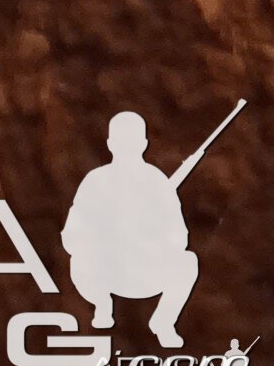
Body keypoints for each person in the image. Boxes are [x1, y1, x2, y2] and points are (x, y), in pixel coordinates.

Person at [67, 109, 207, 350]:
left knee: (187, 261)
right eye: (122, 141)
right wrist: (103, 240)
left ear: (143, 143)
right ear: (110, 144)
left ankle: (163, 322)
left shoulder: (157, 182)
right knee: (79, 260)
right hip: (105, 274)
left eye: (131, 141)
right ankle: (102, 305)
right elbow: (71, 236)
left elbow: (180, 236)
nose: (126, 147)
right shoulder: (95, 181)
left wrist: (151, 240)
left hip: (147, 272)